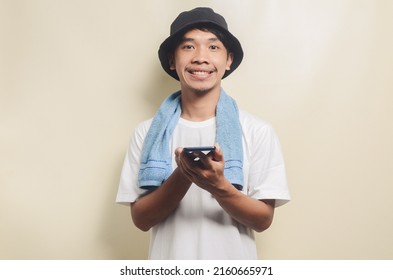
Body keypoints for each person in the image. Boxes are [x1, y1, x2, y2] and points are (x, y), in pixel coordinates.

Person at [116, 7, 290, 260]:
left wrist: (219, 186)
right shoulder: (146, 133)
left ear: (228, 59)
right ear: (172, 61)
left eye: (213, 47)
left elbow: (263, 220)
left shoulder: (257, 131)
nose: (200, 58)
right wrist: (184, 176)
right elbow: (141, 219)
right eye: (188, 47)